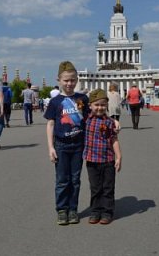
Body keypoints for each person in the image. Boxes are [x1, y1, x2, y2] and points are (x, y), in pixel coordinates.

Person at [44, 61, 89, 225]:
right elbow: (50, 124)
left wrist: (113, 122)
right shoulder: (55, 102)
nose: (69, 83)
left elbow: (89, 119)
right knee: (62, 180)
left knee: (75, 180)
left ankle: (73, 209)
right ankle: (62, 210)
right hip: (61, 146)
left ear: (77, 80)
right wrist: (50, 147)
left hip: (78, 145)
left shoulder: (81, 99)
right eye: (66, 80)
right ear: (59, 80)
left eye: (72, 80)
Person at [83, 89, 122, 225]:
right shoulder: (86, 119)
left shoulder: (110, 122)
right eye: (97, 105)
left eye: (103, 105)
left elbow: (114, 140)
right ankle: (95, 211)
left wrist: (119, 156)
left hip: (108, 160)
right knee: (95, 188)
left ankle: (107, 212)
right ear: (90, 106)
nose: (100, 108)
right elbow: (76, 103)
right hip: (92, 161)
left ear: (107, 105)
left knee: (108, 188)